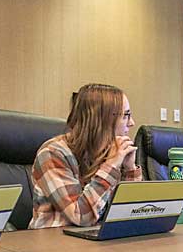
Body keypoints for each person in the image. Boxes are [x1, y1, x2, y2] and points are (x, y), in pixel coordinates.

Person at [29, 83, 141, 228]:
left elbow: (133, 214)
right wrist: (111, 166)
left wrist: (129, 169)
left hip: (98, 242)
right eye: (126, 115)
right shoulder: (52, 153)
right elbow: (81, 216)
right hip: (55, 244)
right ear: (101, 119)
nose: (132, 123)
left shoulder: (111, 152)